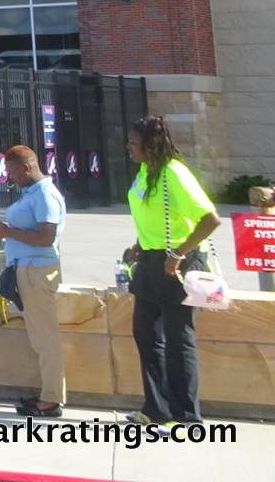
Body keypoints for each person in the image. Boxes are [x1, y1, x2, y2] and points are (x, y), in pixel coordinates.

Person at [123, 114, 221, 425]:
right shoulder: (144, 171)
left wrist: (178, 252)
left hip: (178, 266)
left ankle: (186, 415)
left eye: (134, 143)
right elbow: (152, 215)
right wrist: (139, 245)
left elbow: (210, 219)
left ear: (150, 146)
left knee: (179, 340)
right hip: (151, 263)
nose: (129, 147)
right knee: (145, 335)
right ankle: (156, 409)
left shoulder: (174, 173)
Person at [0, 145, 67, 417]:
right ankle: (49, 394)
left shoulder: (44, 195)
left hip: (37, 269)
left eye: (12, 172)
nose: (10, 178)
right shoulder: (30, 193)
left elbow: (46, 238)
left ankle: (52, 399)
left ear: (27, 167)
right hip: (28, 268)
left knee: (46, 339)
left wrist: (7, 232)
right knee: (40, 337)